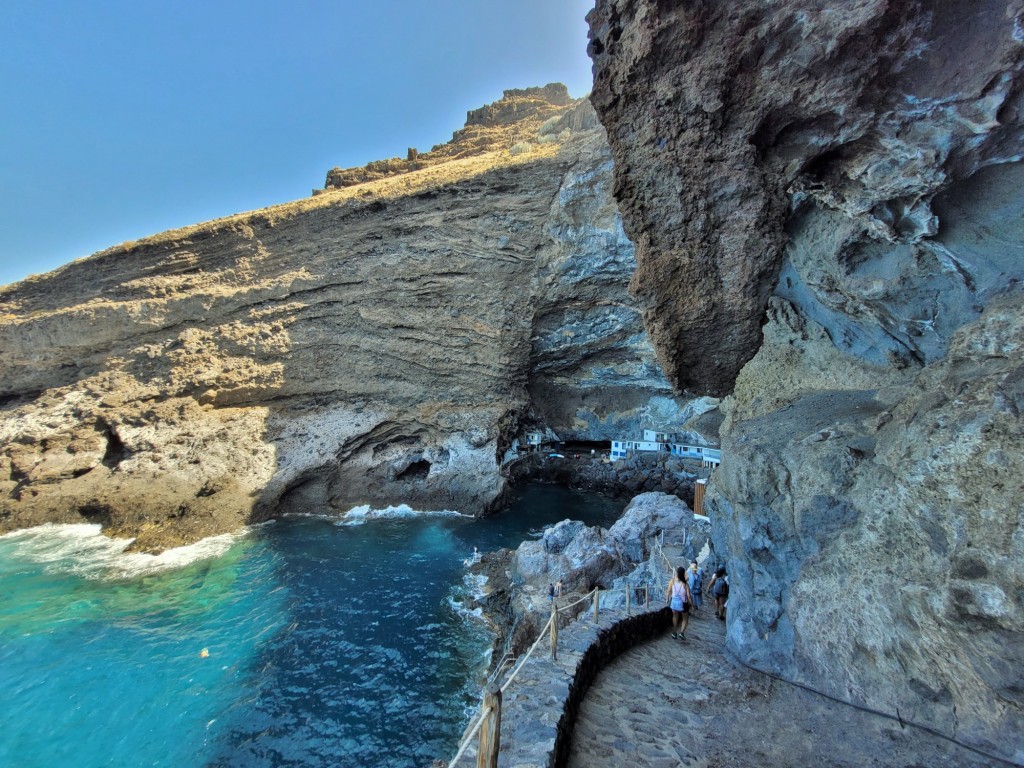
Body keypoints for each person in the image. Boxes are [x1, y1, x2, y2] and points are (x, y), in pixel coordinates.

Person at [665, 566, 693, 640]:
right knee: (685, 619)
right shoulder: (685, 584)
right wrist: (692, 605)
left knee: (675, 617)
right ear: (683, 574)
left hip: (674, 602)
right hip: (683, 603)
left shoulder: (672, 581)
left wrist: (667, 599)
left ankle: (674, 632)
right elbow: (689, 596)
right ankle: (682, 633)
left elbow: (668, 591)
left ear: (677, 573)